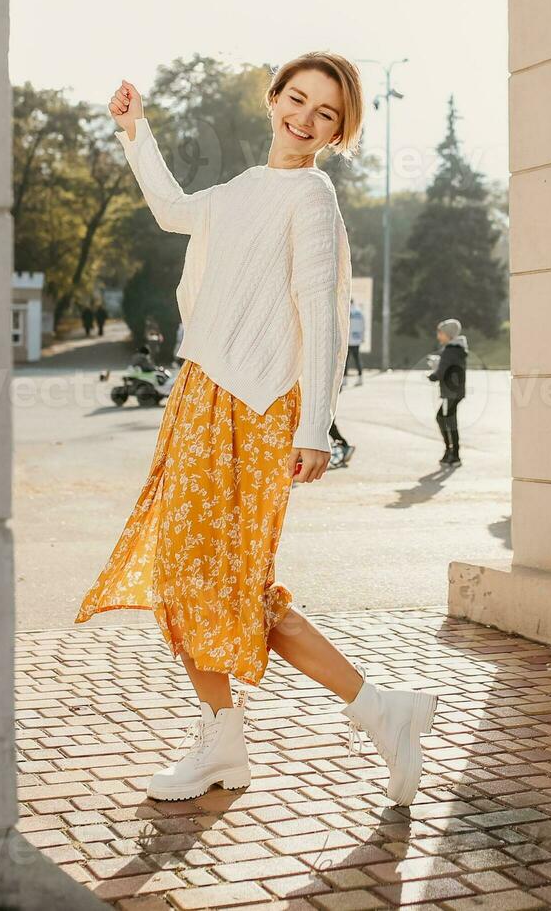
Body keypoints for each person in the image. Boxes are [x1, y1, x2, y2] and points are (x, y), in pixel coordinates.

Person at [76, 55, 437, 807]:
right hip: (200, 394)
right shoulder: (245, 189)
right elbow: (174, 210)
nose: (305, 118)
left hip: (257, 406)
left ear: (339, 132)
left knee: (215, 581)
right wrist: (133, 128)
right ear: (271, 99)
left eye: (326, 113)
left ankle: (348, 718)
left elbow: (324, 316)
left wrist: (315, 426)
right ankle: (250, 737)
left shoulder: (309, 197)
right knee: (190, 577)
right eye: (296, 99)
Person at [428, 318, 468, 467]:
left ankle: (453, 453)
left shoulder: (450, 350)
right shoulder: (458, 349)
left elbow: (441, 371)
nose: (439, 336)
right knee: (447, 419)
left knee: (445, 420)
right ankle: (451, 451)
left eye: (441, 333)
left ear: (448, 335)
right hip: (456, 392)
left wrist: (432, 375)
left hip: (450, 392)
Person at [345, 299, 366, 385]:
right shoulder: (360, 312)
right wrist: (362, 338)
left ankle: (344, 379)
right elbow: (363, 326)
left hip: (348, 340)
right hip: (357, 340)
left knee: (346, 360)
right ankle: (360, 378)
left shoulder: (348, 311)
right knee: (357, 359)